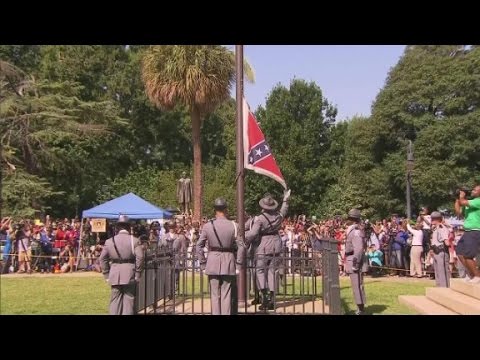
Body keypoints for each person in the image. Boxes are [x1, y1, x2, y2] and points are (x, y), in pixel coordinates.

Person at [245, 189, 291, 311]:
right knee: (273, 271)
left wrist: (243, 239)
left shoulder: (260, 218)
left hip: (263, 245)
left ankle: (264, 296)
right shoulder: (278, 216)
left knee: (260, 270)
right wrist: (285, 199)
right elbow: (284, 210)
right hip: (276, 244)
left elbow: (253, 233)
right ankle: (272, 298)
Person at [196, 198, 242, 315]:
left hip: (212, 261)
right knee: (226, 293)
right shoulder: (234, 225)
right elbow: (242, 247)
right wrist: (239, 264)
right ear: (226, 209)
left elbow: (198, 246)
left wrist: (202, 263)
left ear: (214, 210)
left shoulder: (207, 226)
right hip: (229, 260)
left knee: (214, 294)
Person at [99, 215, 144, 315]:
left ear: (117, 228)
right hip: (130, 273)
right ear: (129, 227)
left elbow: (102, 258)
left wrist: (106, 274)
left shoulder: (109, 241)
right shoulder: (135, 240)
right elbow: (140, 258)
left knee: (115, 300)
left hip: (115, 273)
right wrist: (138, 274)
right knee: (129, 300)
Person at [454, 185, 480, 283]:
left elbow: (463, 202)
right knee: (460, 252)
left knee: (468, 255)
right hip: (468, 232)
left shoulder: (478, 201)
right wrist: (457, 199)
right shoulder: (470, 203)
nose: (472, 191)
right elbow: (459, 212)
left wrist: (461, 196)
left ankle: (477, 276)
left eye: (475, 190)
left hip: (475, 231)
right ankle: (472, 274)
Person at [344, 208, 367, 315]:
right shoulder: (354, 230)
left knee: (357, 286)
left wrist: (355, 264)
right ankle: (360, 307)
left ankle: (360, 309)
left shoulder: (356, 231)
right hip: (352, 258)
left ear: (352, 219)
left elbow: (358, 249)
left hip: (354, 260)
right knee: (357, 286)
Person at [429, 211, 450, 287]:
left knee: (442, 271)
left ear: (437, 219)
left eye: (433, 219)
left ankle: (444, 288)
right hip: (435, 251)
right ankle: (439, 287)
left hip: (441, 251)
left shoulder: (442, 228)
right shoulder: (435, 229)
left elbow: (446, 242)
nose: (432, 221)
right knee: (437, 271)